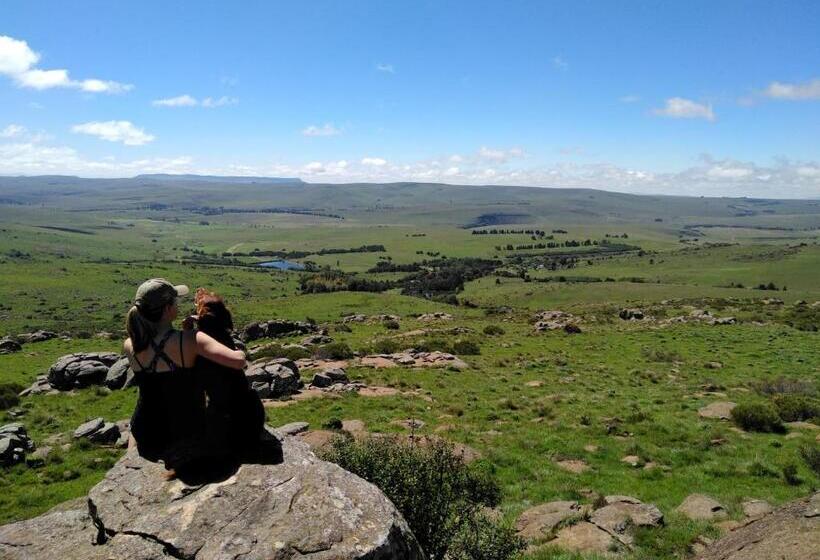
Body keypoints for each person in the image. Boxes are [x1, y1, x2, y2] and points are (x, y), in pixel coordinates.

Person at [123, 278, 247, 476]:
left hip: (146, 432)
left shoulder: (131, 344)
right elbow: (238, 361)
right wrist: (235, 346)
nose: (178, 304)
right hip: (185, 433)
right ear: (167, 309)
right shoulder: (190, 340)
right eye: (175, 301)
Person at [190, 288, 265, 458]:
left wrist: (190, 329)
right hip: (250, 417)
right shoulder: (224, 338)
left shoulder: (200, 344)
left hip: (225, 421)